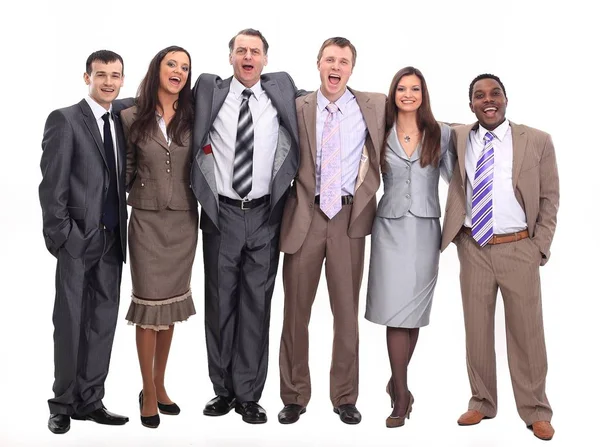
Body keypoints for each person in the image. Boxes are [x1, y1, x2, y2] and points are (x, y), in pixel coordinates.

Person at [191, 28, 301, 424]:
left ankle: (249, 394)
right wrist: (111, 106)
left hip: (265, 214)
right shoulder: (209, 91)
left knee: (256, 304)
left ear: (266, 60)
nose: (248, 57)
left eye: (255, 51)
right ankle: (222, 390)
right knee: (220, 302)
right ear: (231, 58)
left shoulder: (282, 89)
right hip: (220, 213)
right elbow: (162, 99)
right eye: (241, 51)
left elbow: (325, 98)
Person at [441, 74, 559, 441]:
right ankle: (481, 401)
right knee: (476, 329)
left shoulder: (536, 140)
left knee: (527, 332)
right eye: (479, 96)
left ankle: (536, 409)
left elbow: (549, 198)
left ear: (506, 99)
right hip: (474, 247)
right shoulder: (460, 137)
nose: (487, 100)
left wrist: (539, 245)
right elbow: (421, 120)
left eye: (494, 94)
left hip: (518, 247)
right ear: (471, 104)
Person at [278, 37, 385, 425]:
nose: (335, 66)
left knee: (346, 313)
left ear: (351, 69)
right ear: (318, 64)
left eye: (343, 61)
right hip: (304, 217)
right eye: (329, 59)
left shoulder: (373, 105)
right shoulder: (297, 106)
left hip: (348, 218)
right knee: (295, 313)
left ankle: (344, 396)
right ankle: (293, 395)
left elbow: (416, 115)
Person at [39, 50, 129, 434]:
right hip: (77, 241)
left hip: (112, 241)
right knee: (71, 322)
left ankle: (91, 400)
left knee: (102, 323)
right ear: (86, 77)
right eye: (101, 74)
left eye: (116, 75)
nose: (108, 81)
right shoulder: (65, 120)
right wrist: (65, 239)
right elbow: (51, 187)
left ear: (123, 79)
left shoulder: (120, 121)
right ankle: (62, 403)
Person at [365, 67, 455, 428]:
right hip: (388, 228)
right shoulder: (379, 132)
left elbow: (459, 180)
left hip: (424, 231)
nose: (407, 94)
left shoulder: (441, 133)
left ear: (423, 94)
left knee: (412, 312)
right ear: (393, 93)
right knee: (393, 310)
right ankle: (402, 392)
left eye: (415, 88)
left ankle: (397, 383)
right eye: (401, 88)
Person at [120, 46, 197, 429]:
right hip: (147, 223)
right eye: (172, 64)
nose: (179, 72)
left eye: (185, 67)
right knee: (149, 310)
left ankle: (161, 383)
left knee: (168, 312)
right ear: (158, 69)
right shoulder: (131, 115)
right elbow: (126, 170)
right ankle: (147, 391)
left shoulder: (193, 116)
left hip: (184, 223)